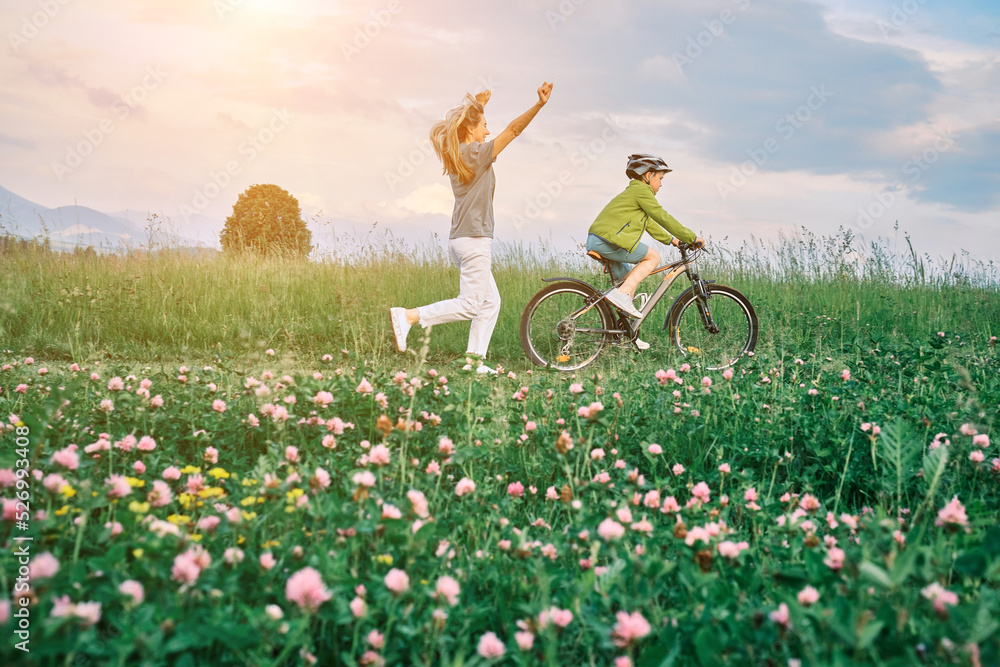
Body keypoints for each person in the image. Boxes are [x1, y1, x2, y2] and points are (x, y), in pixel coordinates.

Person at [390, 82, 554, 373]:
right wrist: (539, 105)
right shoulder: (477, 154)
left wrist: (478, 110)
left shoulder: (455, 154)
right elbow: (514, 131)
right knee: (469, 305)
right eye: (485, 126)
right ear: (471, 130)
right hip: (475, 239)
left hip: (460, 239)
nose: (488, 131)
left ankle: (473, 361)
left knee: (490, 303)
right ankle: (410, 316)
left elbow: (467, 130)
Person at [586, 153, 703, 348]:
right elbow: (661, 216)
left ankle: (626, 334)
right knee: (653, 257)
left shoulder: (635, 194)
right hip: (606, 241)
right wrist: (690, 237)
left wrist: (674, 240)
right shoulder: (641, 191)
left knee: (628, 285)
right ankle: (621, 296)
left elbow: (650, 223)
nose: (661, 184)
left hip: (601, 240)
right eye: (660, 178)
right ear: (648, 176)